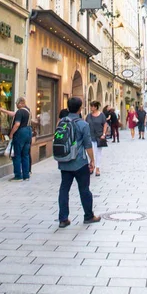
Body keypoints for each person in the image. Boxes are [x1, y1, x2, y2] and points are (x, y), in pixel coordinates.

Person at [57, 96, 101, 228]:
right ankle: (88, 216)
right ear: (80, 108)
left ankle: (63, 219)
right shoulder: (83, 124)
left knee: (64, 189)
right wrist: (92, 160)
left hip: (64, 161)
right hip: (79, 162)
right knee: (84, 189)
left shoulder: (62, 122)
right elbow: (88, 145)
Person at [6, 97, 33, 181]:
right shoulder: (28, 111)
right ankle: (26, 175)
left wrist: (11, 133)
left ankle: (18, 176)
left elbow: (17, 124)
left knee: (17, 155)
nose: (16, 106)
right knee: (25, 155)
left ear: (20, 103)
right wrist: (4, 111)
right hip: (28, 132)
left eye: (17, 104)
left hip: (20, 133)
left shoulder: (20, 111)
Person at [86, 101, 107, 176]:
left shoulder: (101, 115)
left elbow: (105, 124)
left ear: (96, 107)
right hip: (90, 137)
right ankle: (91, 165)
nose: (91, 107)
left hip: (99, 137)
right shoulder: (88, 116)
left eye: (92, 106)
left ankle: (97, 168)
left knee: (98, 153)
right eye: (91, 106)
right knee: (90, 153)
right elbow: (85, 125)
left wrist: (104, 134)